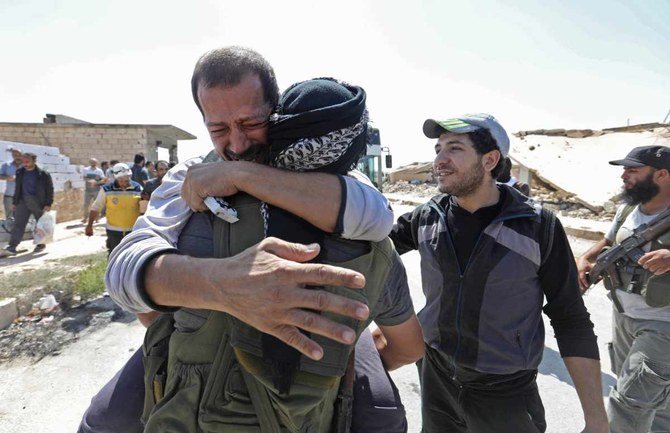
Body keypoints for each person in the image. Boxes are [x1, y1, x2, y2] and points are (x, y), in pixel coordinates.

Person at [78, 47, 407, 433]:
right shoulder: (188, 176)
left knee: (383, 416)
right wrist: (221, 286)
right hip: (195, 369)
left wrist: (242, 177)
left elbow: (376, 216)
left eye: (251, 123)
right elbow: (122, 272)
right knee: (103, 422)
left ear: (276, 110)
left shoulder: (324, 172)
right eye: (218, 129)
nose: (236, 144)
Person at [389, 113, 609, 433]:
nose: (439, 160)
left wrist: (596, 420)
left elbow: (570, 318)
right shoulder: (425, 218)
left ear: (490, 159)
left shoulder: (538, 227)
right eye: (438, 149)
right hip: (436, 383)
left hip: (504, 395)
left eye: (454, 148)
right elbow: (370, 254)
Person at [577, 145, 670, 433]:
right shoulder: (627, 209)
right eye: (624, 170)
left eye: (633, 170)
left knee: (628, 403)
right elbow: (609, 243)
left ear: (662, 174)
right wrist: (584, 259)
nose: (624, 176)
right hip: (623, 317)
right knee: (656, 403)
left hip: (663, 323)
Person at [84, 163, 142, 254]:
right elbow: (96, 207)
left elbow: (144, 208)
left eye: (126, 180)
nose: (124, 183)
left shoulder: (138, 188)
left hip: (133, 231)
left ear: (130, 176)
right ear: (115, 178)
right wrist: (89, 225)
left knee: (133, 257)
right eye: (121, 180)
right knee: (114, 257)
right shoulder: (107, 189)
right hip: (114, 232)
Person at [3, 152, 54, 255]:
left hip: (38, 202)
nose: (25, 164)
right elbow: (18, 188)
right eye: (23, 161)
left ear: (34, 161)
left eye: (27, 161)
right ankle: (12, 246)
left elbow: (50, 189)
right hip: (23, 201)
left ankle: (40, 244)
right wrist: (15, 202)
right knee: (19, 224)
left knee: (40, 225)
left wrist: (48, 203)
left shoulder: (43, 174)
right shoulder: (20, 172)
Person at [0, 146, 22, 222]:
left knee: (22, 217)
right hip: (9, 196)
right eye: (15, 155)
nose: (17, 157)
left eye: (19, 155)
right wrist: (7, 177)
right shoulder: (6, 165)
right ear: (12, 156)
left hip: (23, 197)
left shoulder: (26, 166)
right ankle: (11, 233)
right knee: (10, 218)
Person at [82, 158, 105, 223]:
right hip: (88, 190)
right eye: (92, 162)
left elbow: (103, 179)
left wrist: (97, 182)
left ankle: (97, 218)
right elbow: (84, 178)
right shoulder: (86, 170)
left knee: (97, 205)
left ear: (96, 163)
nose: (93, 164)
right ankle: (85, 218)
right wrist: (91, 180)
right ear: (90, 162)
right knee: (86, 204)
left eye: (94, 162)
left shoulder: (99, 171)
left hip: (96, 190)